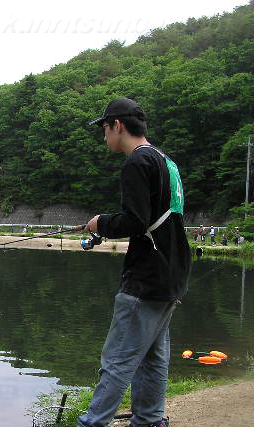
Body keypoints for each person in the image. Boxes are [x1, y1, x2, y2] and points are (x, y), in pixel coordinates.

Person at [78, 98, 191, 427]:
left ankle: (93, 422)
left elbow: (135, 222)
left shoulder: (137, 163)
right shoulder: (165, 161)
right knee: (153, 357)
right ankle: (150, 420)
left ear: (118, 125)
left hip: (146, 278)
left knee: (117, 360)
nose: (104, 136)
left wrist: (100, 223)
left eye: (104, 129)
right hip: (172, 272)